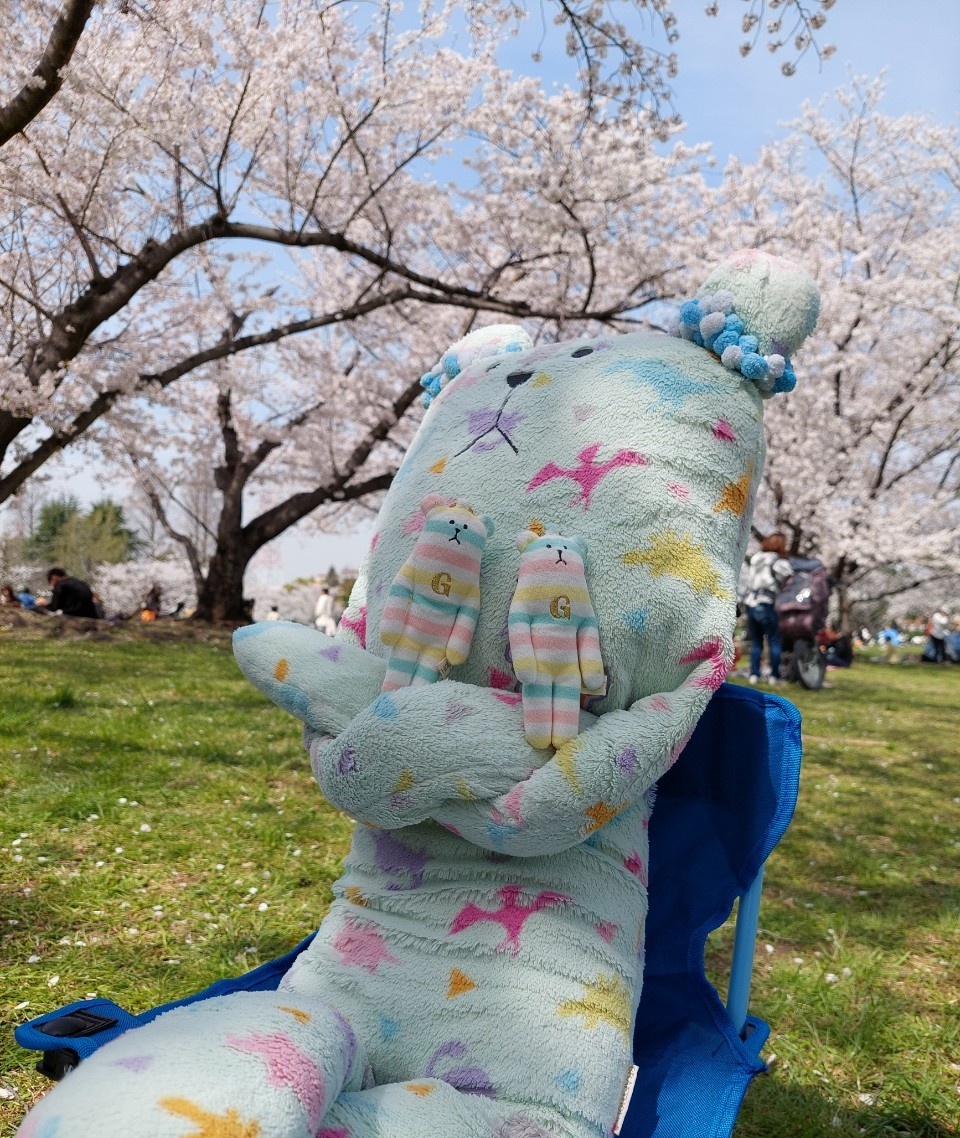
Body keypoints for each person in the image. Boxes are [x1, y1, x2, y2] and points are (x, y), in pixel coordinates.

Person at [744, 533, 793, 685]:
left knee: (757, 643)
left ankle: (754, 675)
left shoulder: (756, 558)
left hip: (751, 604)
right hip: (766, 603)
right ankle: (774, 676)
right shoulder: (777, 561)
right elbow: (791, 576)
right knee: (774, 642)